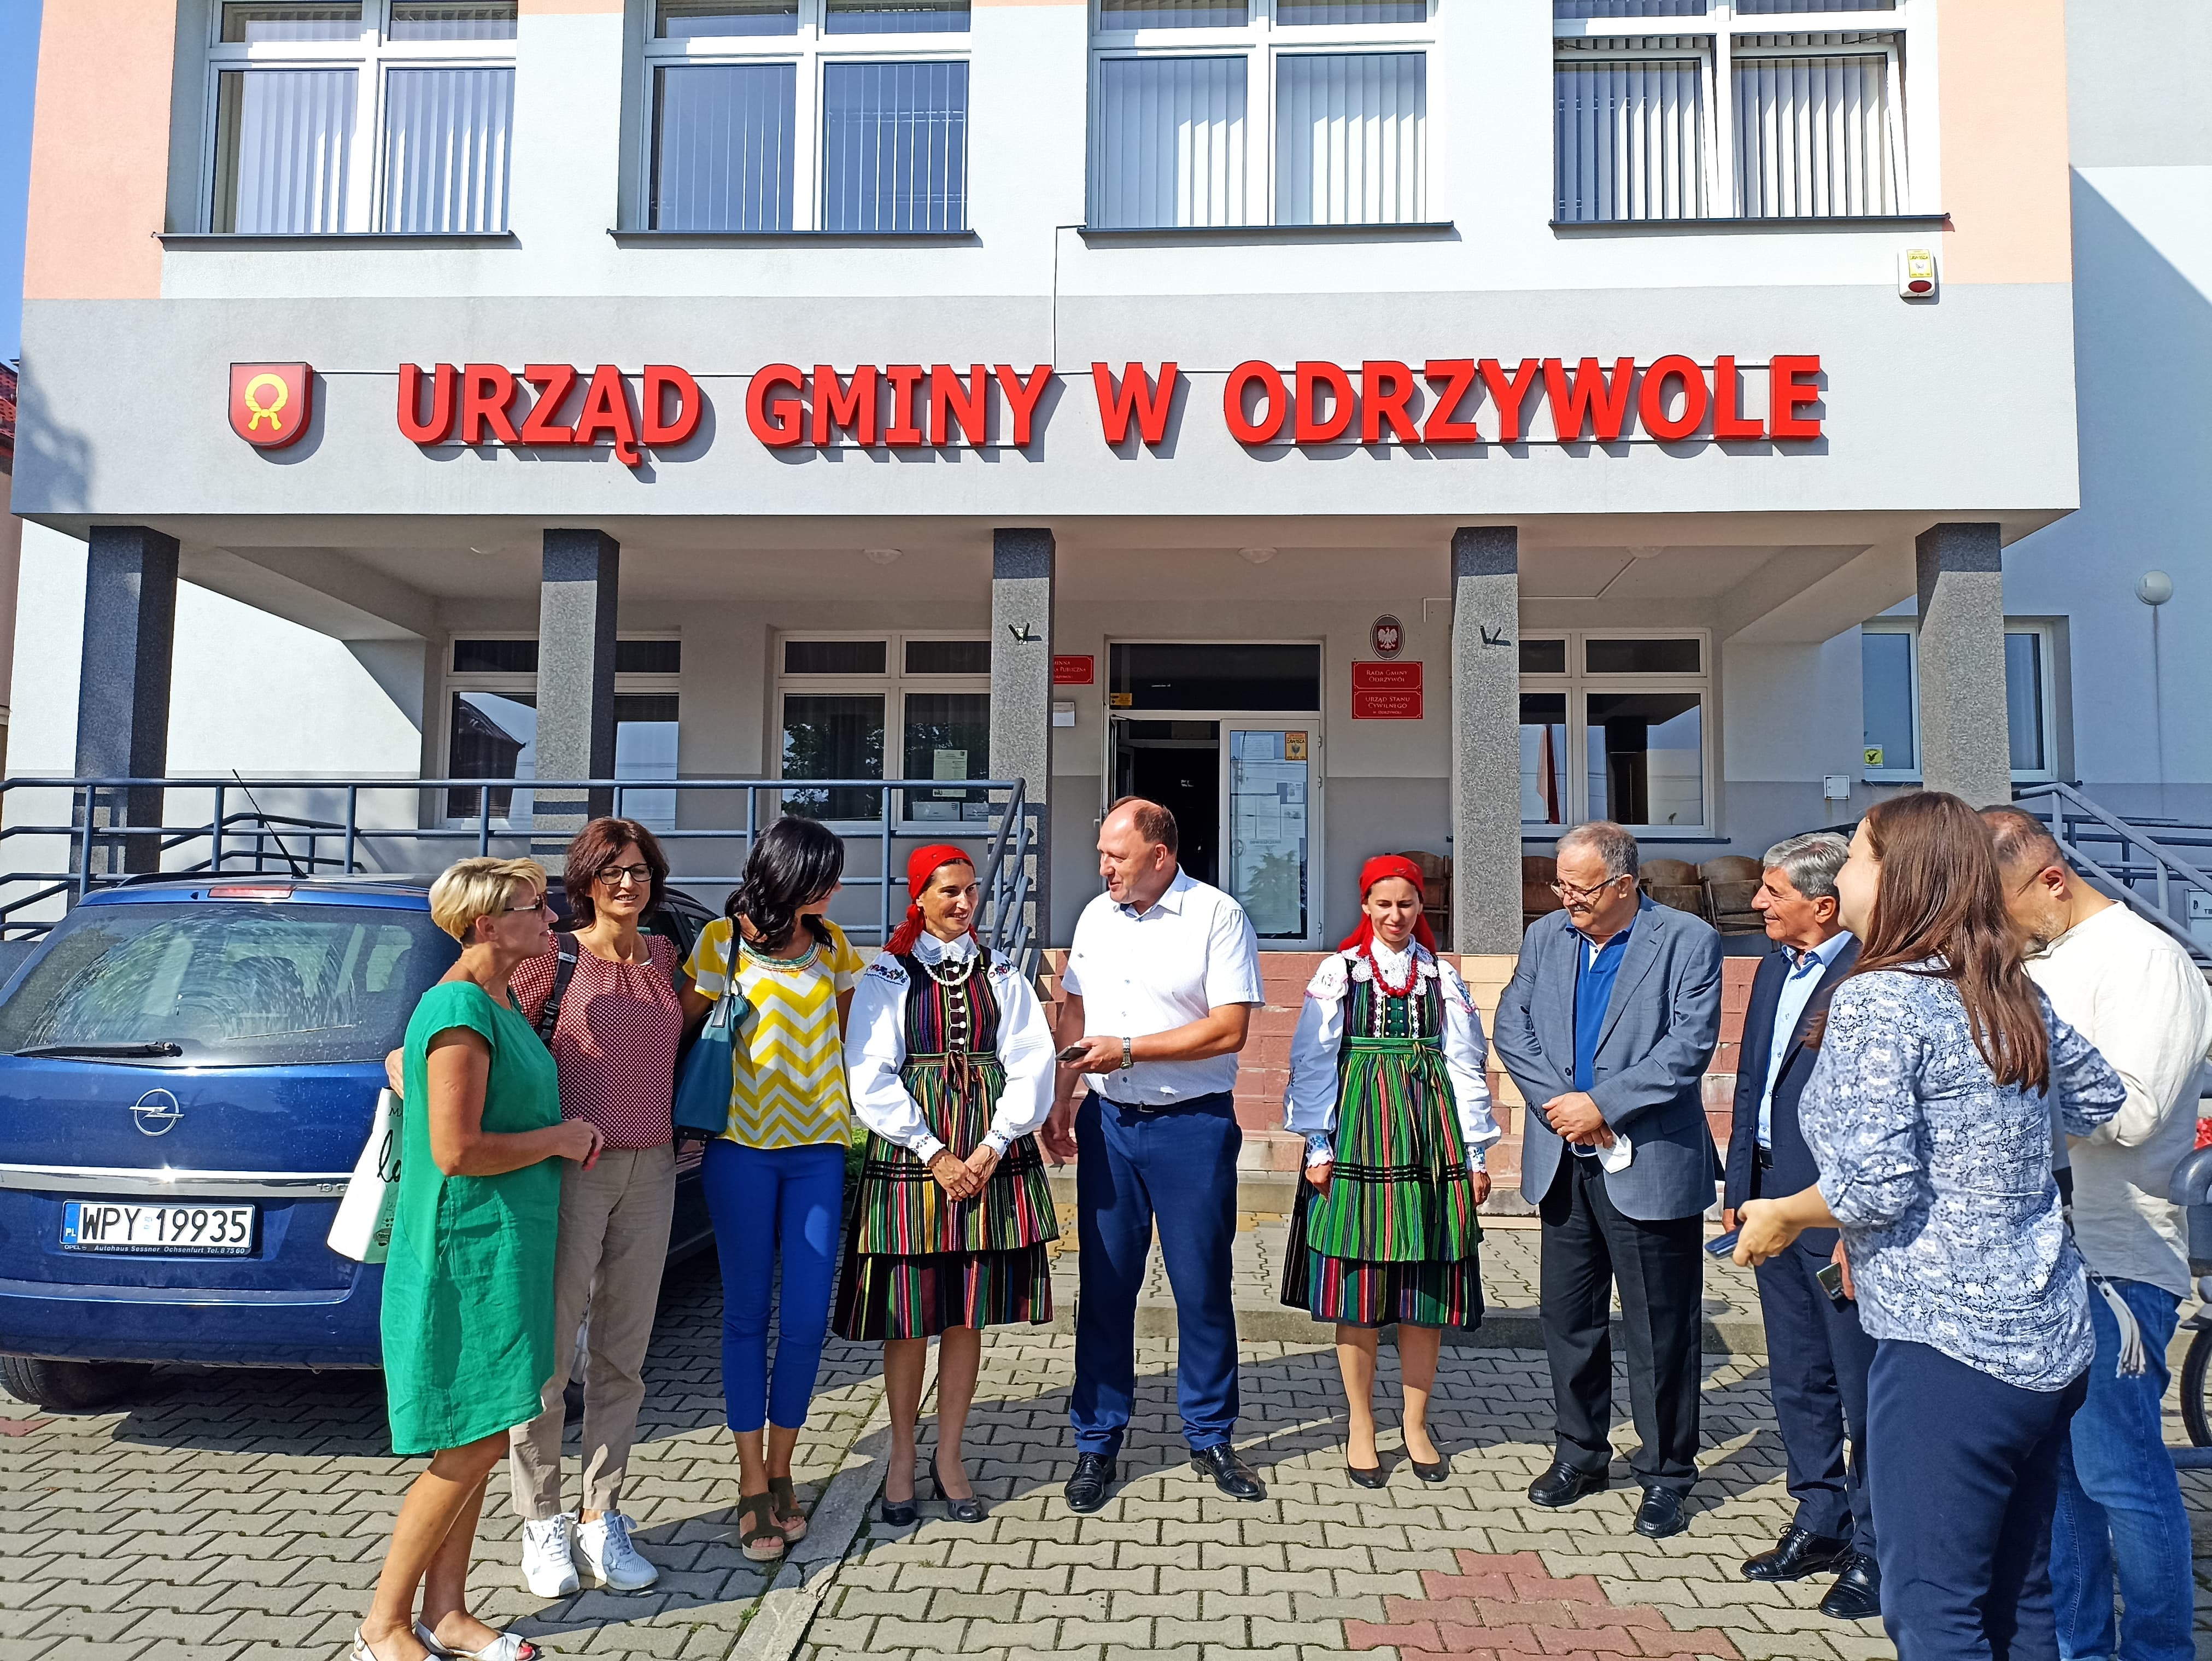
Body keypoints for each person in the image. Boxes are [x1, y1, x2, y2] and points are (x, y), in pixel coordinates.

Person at [1736, 792, 2126, 1661]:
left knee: (1933, 1612)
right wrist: (1990, 1151)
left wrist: (1782, 1212)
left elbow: (1873, 1187)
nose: (1841, 871)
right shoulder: (2001, 982)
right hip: (2047, 1339)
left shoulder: (1881, 998)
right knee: (2019, 1598)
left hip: (1945, 1348)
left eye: (1855, 854)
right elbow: (2098, 1097)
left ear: (1897, 876)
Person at [355, 858, 600, 1661]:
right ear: (486, 924)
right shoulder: (460, 1006)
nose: (551, 918)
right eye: (535, 907)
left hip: (503, 1247)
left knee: (486, 1432)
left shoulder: (495, 999)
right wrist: (560, 1138)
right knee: (469, 1442)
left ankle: (448, 1611)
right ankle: (383, 1625)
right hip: (464, 1255)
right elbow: (456, 1149)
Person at [1983, 805, 2212, 1661]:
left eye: (2000, 906)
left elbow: (2134, 1109)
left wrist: (2001, 1093)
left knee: (2121, 1474)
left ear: (2050, 880)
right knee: (2062, 1481)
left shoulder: (2145, 959)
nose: (1994, 927)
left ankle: (2157, 1650)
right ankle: (2079, 1646)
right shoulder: (2038, 955)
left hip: (2118, 1257)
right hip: (2044, 1256)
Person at [1491, 819, 1723, 1541]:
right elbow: (1512, 1026)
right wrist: (1563, 1110)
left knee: (1660, 1329)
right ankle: (1580, 1453)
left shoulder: (1686, 940)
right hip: (1563, 1159)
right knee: (1568, 1322)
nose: (1566, 899)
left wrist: (1603, 1104)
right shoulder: (1545, 936)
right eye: (1559, 884)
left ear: (1623, 883)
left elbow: (1687, 1046)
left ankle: (1666, 1474)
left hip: (1646, 1160)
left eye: (1580, 888)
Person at [1040, 797, 1265, 1513]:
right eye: (1101, 854)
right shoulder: (1093, 917)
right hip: (1109, 1124)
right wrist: (1062, 1095)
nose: (1103, 867)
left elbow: (1229, 1028)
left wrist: (1130, 1049)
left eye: (1116, 855)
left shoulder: (1216, 915)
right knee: (1105, 1288)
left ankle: (1210, 1435)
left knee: (1201, 1286)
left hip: (1191, 1126)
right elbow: (1075, 1011)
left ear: (1159, 855)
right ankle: (1096, 1441)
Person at [836, 844, 1060, 1524]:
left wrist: (995, 1142)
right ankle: (902, 1455)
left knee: (967, 1312)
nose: (964, 903)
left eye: (970, 890)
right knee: (908, 1316)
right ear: (919, 898)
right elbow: (868, 1070)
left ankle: (951, 1454)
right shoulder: (888, 973)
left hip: (987, 1148)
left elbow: (1031, 1058)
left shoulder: (1002, 972)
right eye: (948, 892)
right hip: (916, 1154)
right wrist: (932, 1150)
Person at [506, 819, 687, 1598]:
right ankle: (540, 1518)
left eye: (640, 870)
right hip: (569, 1171)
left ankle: (600, 1512)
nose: (627, 883)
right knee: (549, 1355)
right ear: (584, 880)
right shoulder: (551, 957)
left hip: (654, 1167)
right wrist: (409, 1057)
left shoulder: (665, 957)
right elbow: (483, 1026)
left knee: (622, 1354)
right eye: (611, 870)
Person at [1280, 855, 1499, 1485]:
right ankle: (1359, 1423)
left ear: (1420, 906)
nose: (1395, 915)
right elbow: (1313, 1056)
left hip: (1429, 1135)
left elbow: (1465, 1063)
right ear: (1365, 906)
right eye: (1383, 903)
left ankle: (1415, 1423)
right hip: (1360, 1130)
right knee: (1360, 1286)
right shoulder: (1341, 971)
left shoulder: (1440, 975)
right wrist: (1317, 1145)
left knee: (1423, 1288)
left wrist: (1475, 1152)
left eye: (1406, 903)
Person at [680, 817, 864, 1564]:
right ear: (788, 875)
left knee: (807, 1319)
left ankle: (784, 1467)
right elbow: (679, 1032)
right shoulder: (718, 942)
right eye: (825, 876)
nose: (837, 888)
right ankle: (751, 1478)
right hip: (739, 1153)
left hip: (818, 1152)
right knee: (746, 1316)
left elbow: (849, 1045)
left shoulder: (835, 946)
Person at [1718, 833, 1878, 1619]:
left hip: (1835, 1207)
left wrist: (1851, 1216)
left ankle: (1875, 1547)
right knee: (1795, 1373)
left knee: (1860, 1385)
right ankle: (1819, 1517)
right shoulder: (1775, 965)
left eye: (1772, 891)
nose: (1757, 903)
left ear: (1822, 903)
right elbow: (1752, 1079)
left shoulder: (1869, 972)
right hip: (1771, 1199)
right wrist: (1739, 1184)